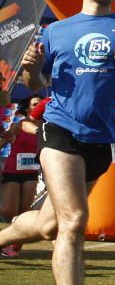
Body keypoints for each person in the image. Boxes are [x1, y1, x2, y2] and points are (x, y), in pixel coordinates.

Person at [0, 0, 115, 285]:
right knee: (74, 220)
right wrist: (31, 69)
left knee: (51, 225)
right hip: (60, 129)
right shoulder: (57, 31)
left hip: (101, 140)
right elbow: (36, 86)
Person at [0, 95, 44, 257]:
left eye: (41, 103)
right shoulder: (19, 125)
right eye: (35, 104)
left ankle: (15, 245)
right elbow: (4, 141)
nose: (39, 106)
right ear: (28, 108)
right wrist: (8, 136)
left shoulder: (45, 127)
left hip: (31, 172)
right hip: (12, 171)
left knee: (24, 211)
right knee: (9, 210)